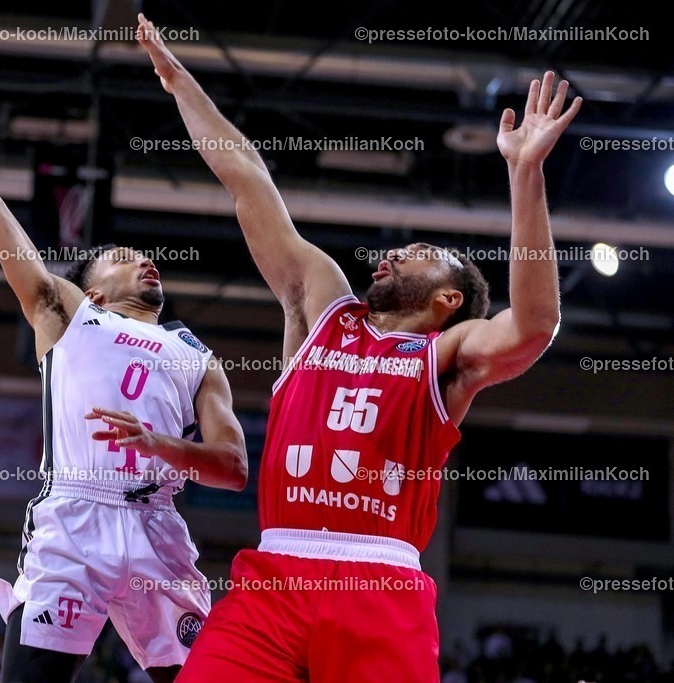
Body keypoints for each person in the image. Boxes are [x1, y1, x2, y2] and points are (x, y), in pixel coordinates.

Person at [136, 13, 581, 683]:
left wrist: (525, 175)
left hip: (380, 581)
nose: (399, 250)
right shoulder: (320, 305)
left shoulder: (446, 355)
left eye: (423, 253)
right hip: (274, 578)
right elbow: (249, 182)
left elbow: (535, 325)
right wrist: (180, 86)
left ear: (448, 299)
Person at [0, 63, 248, 683]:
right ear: (90, 286)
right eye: (123, 258)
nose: (146, 261)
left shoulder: (198, 357)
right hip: (75, 522)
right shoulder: (66, 313)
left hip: (158, 526)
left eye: (147, 258)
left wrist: (160, 445)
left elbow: (233, 469)